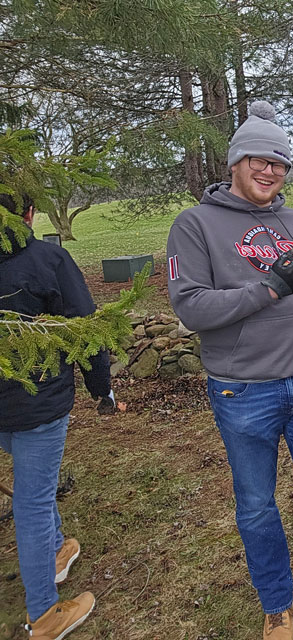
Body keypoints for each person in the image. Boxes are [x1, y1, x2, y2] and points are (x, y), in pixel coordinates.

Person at [166, 101, 293, 640]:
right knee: (256, 505)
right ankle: (277, 603)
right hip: (243, 392)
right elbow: (191, 309)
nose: (269, 171)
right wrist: (268, 288)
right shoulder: (195, 226)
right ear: (235, 161)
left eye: (279, 163)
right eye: (258, 158)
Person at [0, 192, 116, 638]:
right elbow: (85, 328)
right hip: (37, 405)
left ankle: (53, 549)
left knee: (36, 484)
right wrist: (101, 389)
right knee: (31, 501)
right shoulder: (48, 260)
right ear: (29, 215)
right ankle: (44, 614)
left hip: (12, 411)